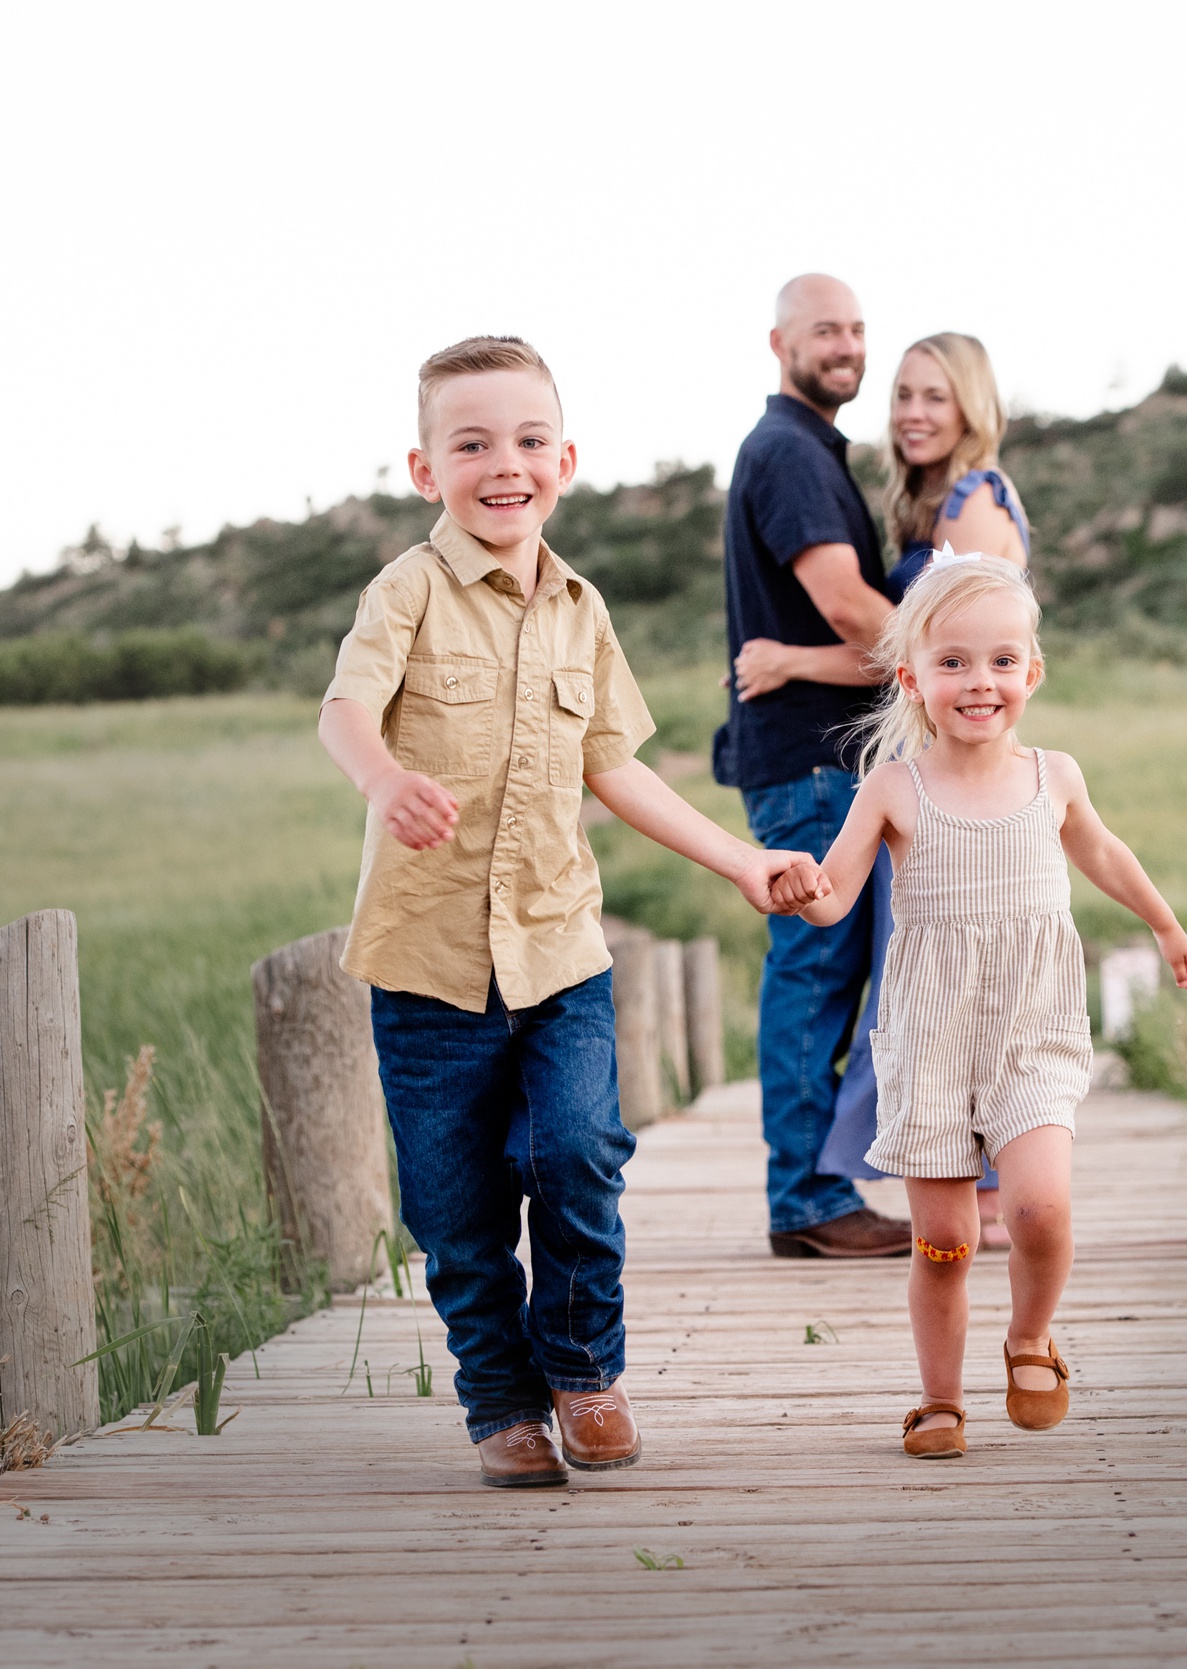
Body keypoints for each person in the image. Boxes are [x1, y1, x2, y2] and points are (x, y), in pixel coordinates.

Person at [319, 336, 821, 1488]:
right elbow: (344, 710)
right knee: (455, 1210)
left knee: (582, 1148)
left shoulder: (582, 612)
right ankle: (500, 1402)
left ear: (566, 458)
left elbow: (617, 768)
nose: (506, 464)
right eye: (473, 443)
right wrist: (385, 780)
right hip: (428, 967)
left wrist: (741, 862)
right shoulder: (405, 591)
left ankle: (586, 1371)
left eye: (529, 440)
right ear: (423, 466)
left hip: (557, 953)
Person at [781, 556, 1187, 1457]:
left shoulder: (1055, 776)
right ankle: (939, 1398)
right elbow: (837, 893)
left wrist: (1165, 925)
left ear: (1032, 673)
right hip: (932, 1037)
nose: (981, 683)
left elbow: (1104, 853)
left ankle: (1029, 1335)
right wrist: (799, 889)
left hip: (1031, 1030)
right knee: (944, 1239)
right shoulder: (895, 786)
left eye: (1003, 662)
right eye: (955, 663)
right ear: (914, 679)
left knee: (1038, 1210)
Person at [736, 333, 1030, 1245]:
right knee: (914, 977)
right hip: (918, 775)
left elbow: (961, 652)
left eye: (935, 396)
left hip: (958, 781)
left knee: (949, 974)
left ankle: (974, 1193)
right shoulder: (924, 509)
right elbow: (919, 649)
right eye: (903, 394)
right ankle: (910, 1191)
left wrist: (794, 656)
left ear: (971, 405)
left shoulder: (978, 506)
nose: (912, 411)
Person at [712, 274, 913, 1259]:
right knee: (812, 973)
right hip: (815, 763)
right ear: (779, 341)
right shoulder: (788, 452)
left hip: (825, 757)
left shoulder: (810, 449)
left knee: (824, 975)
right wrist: (954, 654)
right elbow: (844, 605)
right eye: (823, 328)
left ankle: (815, 1189)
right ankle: (803, 1198)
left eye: (857, 329)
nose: (845, 344)